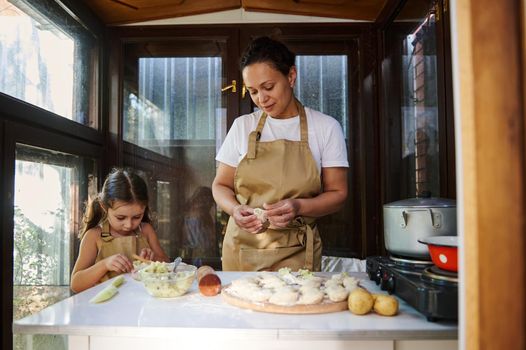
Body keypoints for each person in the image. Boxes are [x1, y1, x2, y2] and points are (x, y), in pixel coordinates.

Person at [212, 36, 349, 272]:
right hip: (242, 250)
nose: (261, 99)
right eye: (253, 91)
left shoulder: (325, 127)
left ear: (291, 76)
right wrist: (235, 209)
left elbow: (338, 193)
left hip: (298, 250)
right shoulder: (242, 126)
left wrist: (298, 207)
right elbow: (220, 185)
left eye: (268, 87)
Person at [71, 168, 169, 292]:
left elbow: (167, 263)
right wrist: (104, 265)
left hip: (142, 304)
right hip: (107, 307)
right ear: (104, 206)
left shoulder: (146, 230)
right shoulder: (94, 236)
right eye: (121, 217)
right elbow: (76, 284)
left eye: (137, 217)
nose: (129, 225)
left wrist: (153, 259)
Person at [182, 186, 217, 262]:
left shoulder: (190, 214)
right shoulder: (201, 216)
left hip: (197, 254)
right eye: (210, 202)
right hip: (202, 256)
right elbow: (207, 241)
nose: (211, 206)